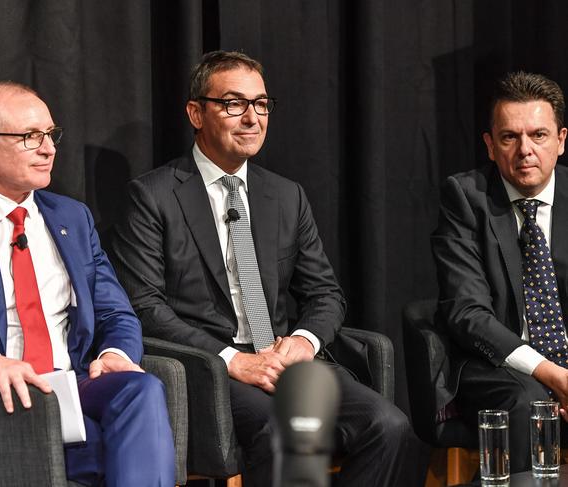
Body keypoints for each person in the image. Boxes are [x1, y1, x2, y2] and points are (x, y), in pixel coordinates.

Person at [111, 50, 411, 486]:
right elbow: (144, 306)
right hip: (211, 367)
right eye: (234, 104)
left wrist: (304, 343)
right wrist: (234, 360)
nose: (252, 117)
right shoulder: (153, 196)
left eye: (261, 104)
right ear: (196, 112)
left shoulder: (286, 196)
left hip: (284, 361)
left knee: (390, 426)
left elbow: (325, 294)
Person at [0, 81, 175, 487]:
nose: (49, 148)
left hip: (70, 386)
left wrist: (115, 353)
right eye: (30, 137)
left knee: (141, 390)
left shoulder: (73, 218)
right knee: (118, 456)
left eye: (51, 134)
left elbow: (115, 311)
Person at [432, 71, 568, 472]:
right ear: (490, 146)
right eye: (510, 137)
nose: (525, 150)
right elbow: (467, 312)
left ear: (561, 140)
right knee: (529, 402)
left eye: (539, 136)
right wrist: (554, 376)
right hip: (499, 364)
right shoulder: (464, 198)